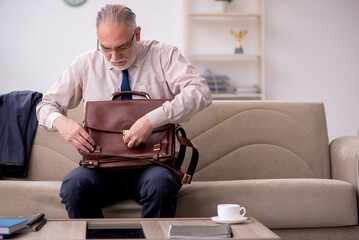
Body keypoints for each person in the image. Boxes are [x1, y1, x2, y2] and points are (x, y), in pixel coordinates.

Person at [36, 4, 212, 219]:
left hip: (154, 166)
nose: (114, 56)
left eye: (122, 47)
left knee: (160, 184)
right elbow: (45, 106)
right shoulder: (85, 64)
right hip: (100, 169)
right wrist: (61, 123)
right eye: (105, 48)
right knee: (73, 186)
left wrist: (151, 119)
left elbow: (201, 92)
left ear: (137, 34)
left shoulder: (164, 56)